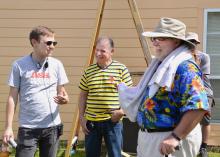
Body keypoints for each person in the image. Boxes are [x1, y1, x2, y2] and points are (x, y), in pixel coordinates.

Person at [118, 17, 209, 157]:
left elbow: (199, 106)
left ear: (176, 41)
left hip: (169, 141)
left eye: (160, 38)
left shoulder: (185, 68)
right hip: (151, 138)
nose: (154, 42)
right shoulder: (163, 64)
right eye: (153, 39)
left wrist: (175, 137)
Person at [2, 26, 69, 157]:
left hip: (52, 128)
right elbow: (12, 98)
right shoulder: (19, 65)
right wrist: (8, 127)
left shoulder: (57, 65)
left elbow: (62, 93)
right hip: (28, 128)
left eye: (54, 43)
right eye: (48, 43)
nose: (52, 46)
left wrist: (65, 99)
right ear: (34, 42)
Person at [78, 36, 133, 157]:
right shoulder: (88, 71)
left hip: (113, 122)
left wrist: (122, 112)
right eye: (97, 50)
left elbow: (130, 96)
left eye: (102, 51)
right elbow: (82, 96)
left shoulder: (121, 69)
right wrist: (81, 117)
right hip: (91, 123)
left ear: (112, 51)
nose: (98, 53)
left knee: (115, 154)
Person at [186, 32, 215, 157]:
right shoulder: (180, 57)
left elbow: (199, 76)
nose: (192, 44)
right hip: (186, 91)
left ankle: (203, 147)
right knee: (187, 119)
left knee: (205, 120)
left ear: (197, 43)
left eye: (194, 42)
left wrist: (195, 62)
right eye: (189, 41)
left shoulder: (203, 56)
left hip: (204, 91)